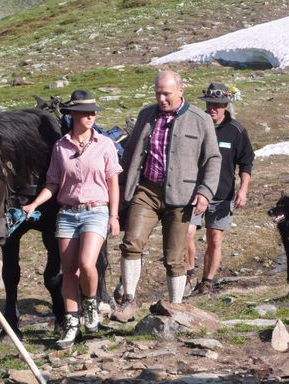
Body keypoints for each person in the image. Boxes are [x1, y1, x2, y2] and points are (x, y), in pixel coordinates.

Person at [111, 70, 222, 323]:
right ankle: (128, 299)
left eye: (167, 94)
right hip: (146, 191)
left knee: (174, 257)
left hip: (182, 197)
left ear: (181, 90)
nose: (162, 98)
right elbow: (129, 154)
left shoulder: (199, 119)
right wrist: (120, 187)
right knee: (132, 242)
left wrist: (205, 192)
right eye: (158, 93)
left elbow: (213, 158)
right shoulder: (146, 115)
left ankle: (176, 308)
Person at [22, 89, 122, 348]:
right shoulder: (60, 147)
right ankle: (71, 323)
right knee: (68, 271)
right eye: (85, 112)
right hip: (67, 213)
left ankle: (89, 305)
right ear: (74, 114)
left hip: (96, 209)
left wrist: (114, 215)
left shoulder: (105, 144)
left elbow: (113, 182)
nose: (91, 116)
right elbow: (53, 183)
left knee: (88, 264)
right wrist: (33, 204)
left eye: (93, 112)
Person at [186, 82, 255, 296]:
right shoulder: (195, 126)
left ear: (225, 105)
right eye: (209, 105)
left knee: (214, 237)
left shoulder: (236, 131)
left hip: (222, 194)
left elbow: (246, 163)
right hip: (193, 193)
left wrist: (243, 190)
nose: (212, 109)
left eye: (217, 105)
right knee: (186, 233)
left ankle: (207, 281)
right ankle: (188, 274)